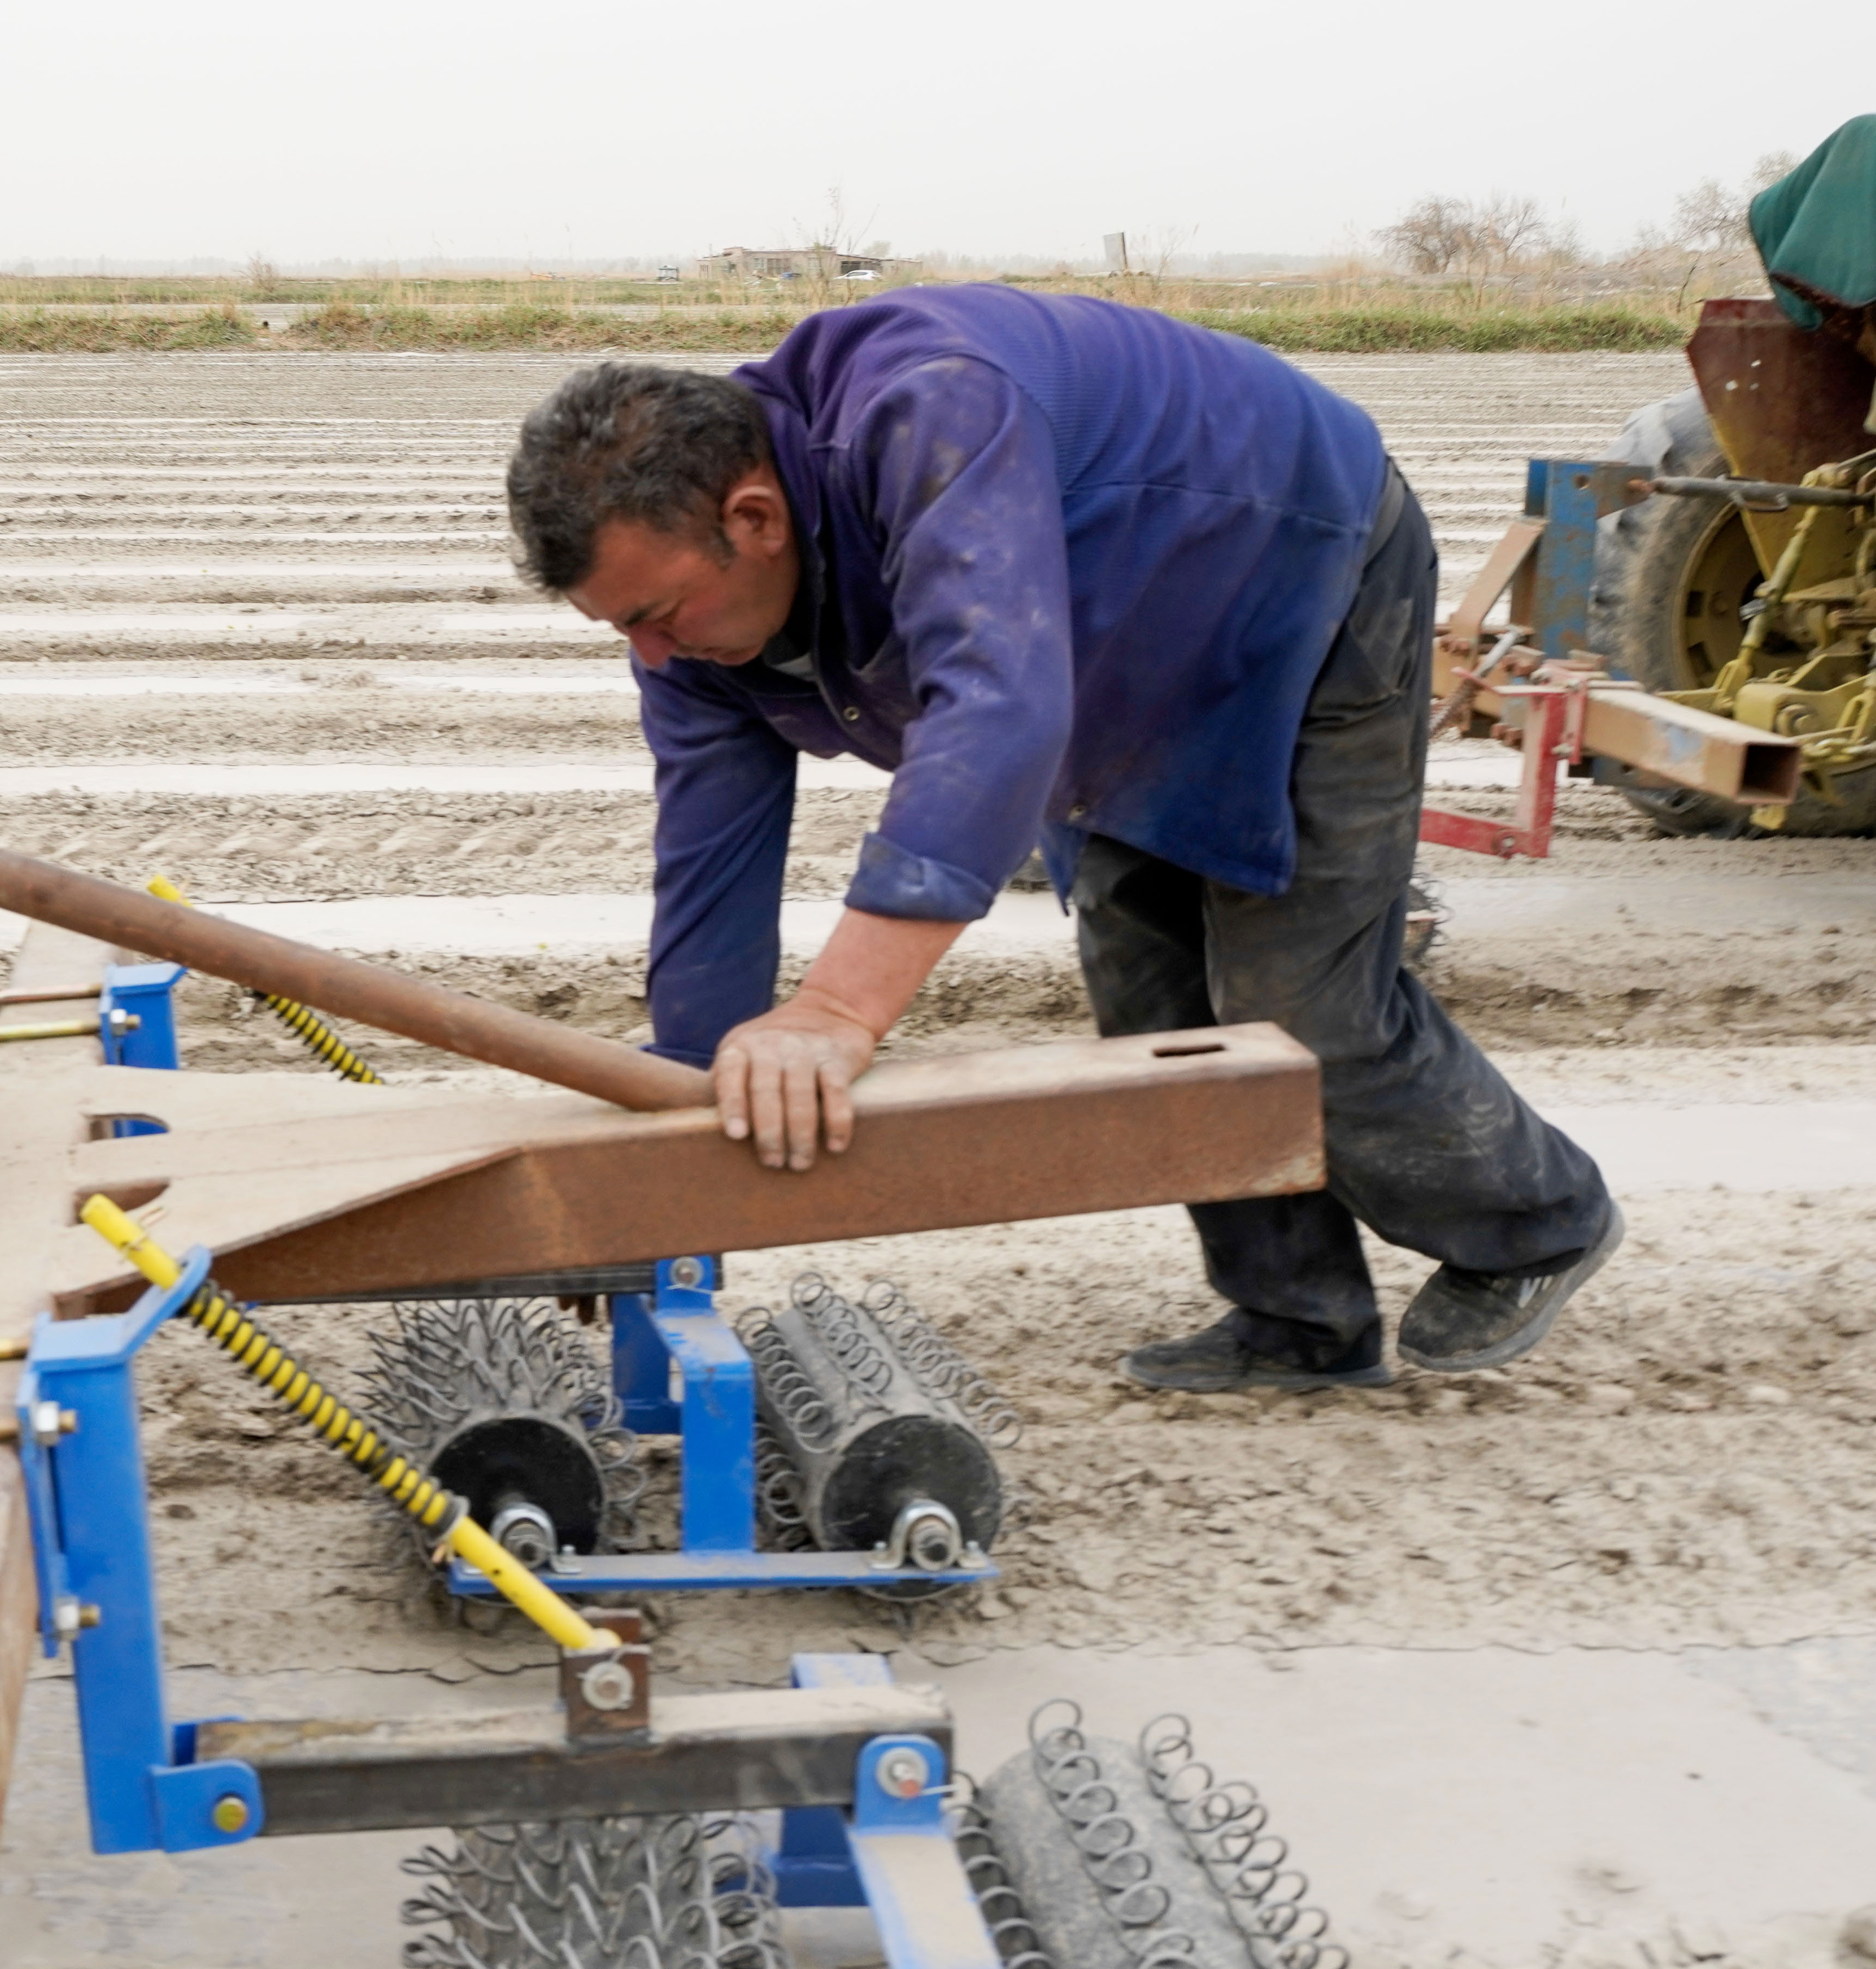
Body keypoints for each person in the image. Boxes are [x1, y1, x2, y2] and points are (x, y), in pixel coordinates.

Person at [503, 288, 1621, 1391]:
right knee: (1151, 1000)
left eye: (656, 616)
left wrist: (839, 1011)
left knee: (1301, 1006)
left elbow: (997, 710)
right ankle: (1299, 1316)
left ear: (753, 520)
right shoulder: (694, 650)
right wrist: (660, 1151)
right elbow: (712, 864)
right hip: (1111, 638)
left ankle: (1539, 1222)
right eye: (622, 629)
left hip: (1298, 565)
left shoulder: (928, 407)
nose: (648, 657)